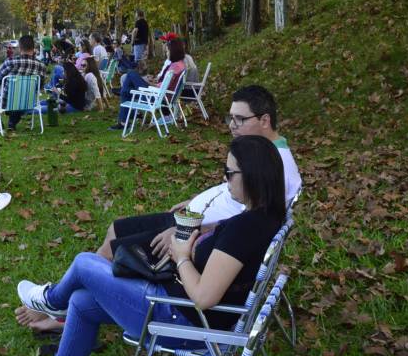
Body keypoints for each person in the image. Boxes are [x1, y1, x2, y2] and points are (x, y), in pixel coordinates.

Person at [0, 134, 287, 356]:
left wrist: (182, 256)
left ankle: (50, 300)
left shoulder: (244, 229)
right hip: (185, 310)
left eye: (229, 172)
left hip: (181, 320)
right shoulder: (265, 218)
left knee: (85, 263)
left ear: (252, 176)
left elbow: (204, 297)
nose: (225, 179)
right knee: (82, 302)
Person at [18, 84, 302, 334]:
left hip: (191, 238)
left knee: (110, 252)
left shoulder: (275, 169)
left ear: (265, 120)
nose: (232, 125)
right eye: (231, 118)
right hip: (191, 223)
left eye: (240, 119)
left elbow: (244, 228)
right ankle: (70, 305)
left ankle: (65, 308)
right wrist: (197, 200)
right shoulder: (260, 154)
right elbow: (236, 198)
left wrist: (185, 233)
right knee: (116, 229)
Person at [111, 37, 188, 129]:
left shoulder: (174, 67)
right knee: (126, 91)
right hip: (161, 95)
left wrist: (150, 84)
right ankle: (123, 120)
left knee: (131, 74)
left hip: (156, 97)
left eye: (167, 51)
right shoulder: (180, 64)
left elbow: (162, 87)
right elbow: (164, 85)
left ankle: (123, 121)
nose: (166, 53)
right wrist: (151, 82)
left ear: (174, 51)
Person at [0, 35, 47, 132]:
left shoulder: (11, 62)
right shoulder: (41, 66)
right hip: (28, 103)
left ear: (20, 47)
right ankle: (12, 123)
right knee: (20, 95)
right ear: (33, 47)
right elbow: (40, 87)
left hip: (7, 103)